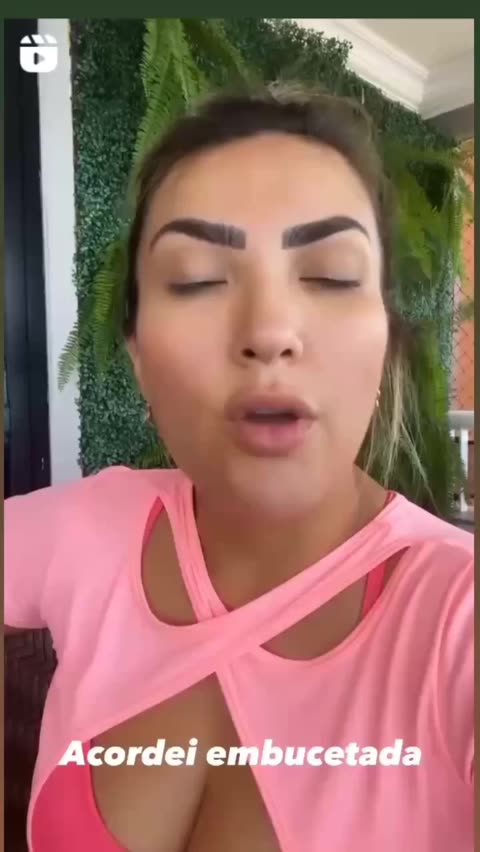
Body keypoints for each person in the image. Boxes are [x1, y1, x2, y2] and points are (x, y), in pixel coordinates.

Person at [5, 84, 473, 852]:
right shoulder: (93, 527)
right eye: (196, 278)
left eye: (330, 275)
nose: (270, 329)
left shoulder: (457, 616)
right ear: (138, 354)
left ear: (386, 345)